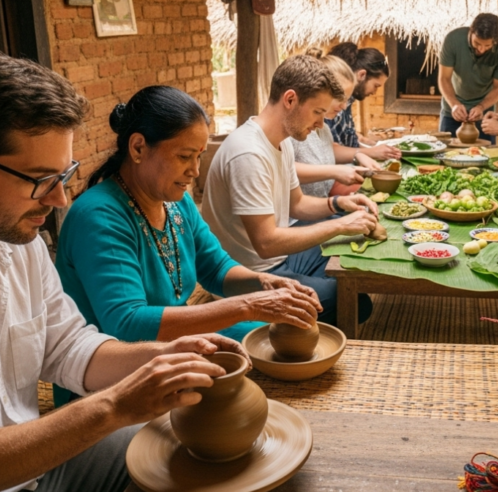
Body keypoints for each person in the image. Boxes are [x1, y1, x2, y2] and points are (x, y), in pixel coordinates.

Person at [0, 50, 248, 492]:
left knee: (193, 458)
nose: (60, 199)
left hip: (38, 472)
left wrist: (164, 356)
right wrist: (114, 407)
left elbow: (66, 346)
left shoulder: (14, 242)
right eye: (41, 180)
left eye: (65, 175)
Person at [55, 86, 322, 397]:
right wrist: (248, 305)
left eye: (199, 156)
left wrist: (264, 284)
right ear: (139, 147)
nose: (194, 171)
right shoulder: (99, 216)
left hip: (173, 345)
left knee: (277, 342)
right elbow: (126, 323)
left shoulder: (174, 202)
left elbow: (216, 269)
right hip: (114, 379)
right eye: (184, 156)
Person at [201, 54, 379, 324]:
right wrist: (341, 225)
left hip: (280, 260)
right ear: (290, 99)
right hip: (249, 277)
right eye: (318, 112)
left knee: (352, 263)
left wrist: (339, 206)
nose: (321, 123)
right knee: (354, 300)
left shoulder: (280, 142)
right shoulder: (248, 152)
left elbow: (297, 204)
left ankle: (309, 290)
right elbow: (266, 243)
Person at [293, 49, 375, 199]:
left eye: (347, 100)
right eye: (340, 98)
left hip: (321, 209)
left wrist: (358, 155)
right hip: (299, 219)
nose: (344, 107)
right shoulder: (294, 128)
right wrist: (334, 171)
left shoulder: (323, 129)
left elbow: (327, 150)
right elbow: (284, 169)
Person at [438, 13, 498, 143]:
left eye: (487, 46)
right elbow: (444, 78)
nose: (481, 49)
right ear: (471, 31)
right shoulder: (453, 39)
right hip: (452, 110)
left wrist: (481, 107)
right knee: (445, 154)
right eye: (477, 43)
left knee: (485, 155)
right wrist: (454, 104)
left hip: (484, 112)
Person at [325, 42, 400, 161]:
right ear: (362, 74)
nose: (375, 92)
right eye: (376, 86)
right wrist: (369, 152)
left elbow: (343, 141)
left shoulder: (347, 102)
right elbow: (328, 149)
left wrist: (365, 142)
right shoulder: (333, 105)